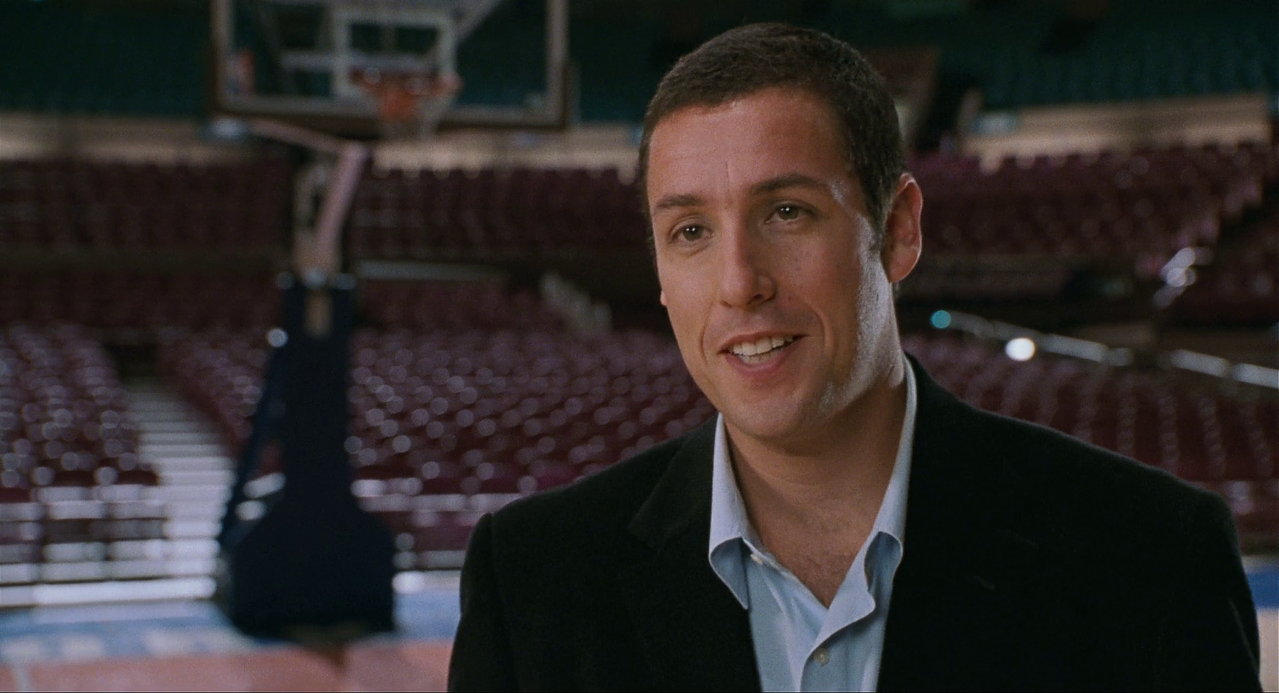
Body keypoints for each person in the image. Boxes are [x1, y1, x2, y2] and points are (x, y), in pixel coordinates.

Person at [448, 23, 1261, 691]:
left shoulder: (1151, 558)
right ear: (659, 272)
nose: (738, 283)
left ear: (898, 230)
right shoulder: (532, 580)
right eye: (690, 231)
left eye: (787, 212)